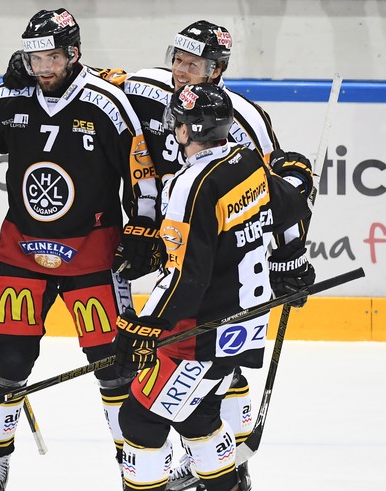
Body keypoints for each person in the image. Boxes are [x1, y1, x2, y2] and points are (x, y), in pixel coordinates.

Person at [4, 20, 316, 490]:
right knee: (196, 399)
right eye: (178, 59)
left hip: (205, 277)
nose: (180, 71)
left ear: (218, 70)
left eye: (193, 64)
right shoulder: (150, 87)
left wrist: (288, 263)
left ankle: (225, 471)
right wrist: (32, 76)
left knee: (163, 404)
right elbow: (80, 83)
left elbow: (278, 199)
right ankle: (222, 468)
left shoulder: (239, 129)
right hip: (177, 259)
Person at [0, 8, 162, 490]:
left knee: (114, 366)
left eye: (51, 56)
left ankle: (136, 467)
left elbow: (141, 172)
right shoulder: (11, 98)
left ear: (73, 53)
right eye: (34, 56)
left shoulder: (106, 103)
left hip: (94, 257)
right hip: (23, 254)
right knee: (10, 363)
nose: (42, 67)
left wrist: (144, 229)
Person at [112, 83, 313, 491]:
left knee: (140, 419)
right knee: (196, 413)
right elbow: (290, 203)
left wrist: (147, 325)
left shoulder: (191, 185)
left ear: (186, 131)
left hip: (202, 332)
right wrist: (292, 262)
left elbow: (189, 274)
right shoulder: (246, 159)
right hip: (244, 323)